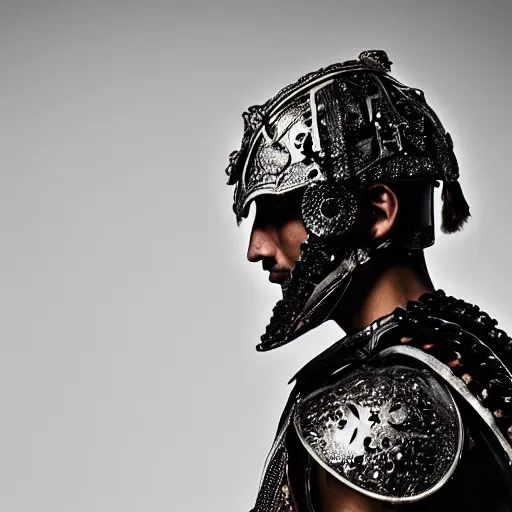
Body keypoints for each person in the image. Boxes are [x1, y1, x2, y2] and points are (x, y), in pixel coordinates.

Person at [225, 50, 512, 511]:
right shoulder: (475, 354)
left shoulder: (374, 408)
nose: (256, 248)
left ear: (378, 212)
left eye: (279, 212)